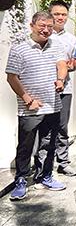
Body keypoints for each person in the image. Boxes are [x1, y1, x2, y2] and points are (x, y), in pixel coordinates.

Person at [6, 11, 68, 200]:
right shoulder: (19, 49)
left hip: (53, 105)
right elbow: (12, 77)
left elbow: (62, 64)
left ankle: (45, 176)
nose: (46, 30)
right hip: (29, 108)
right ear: (32, 26)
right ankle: (21, 180)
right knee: (25, 146)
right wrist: (28, 99)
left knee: (48, 144)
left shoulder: (56, 45)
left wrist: (60, 80)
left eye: (50, 26)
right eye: (42, 26)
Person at [48, 0, 76, 177]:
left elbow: (73, 64)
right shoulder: (44, 35)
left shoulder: (72, 39)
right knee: (44, 127)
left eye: (63, 14)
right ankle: (43, 163)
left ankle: (63, 162)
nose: (60, 17)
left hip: (64, 89)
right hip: (43, 88)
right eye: (56, 14)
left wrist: (70, 65)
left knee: (62, 126)